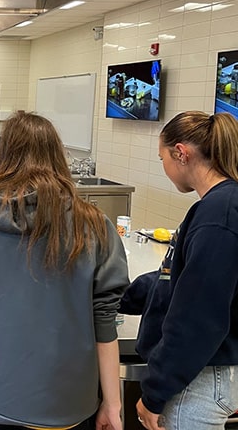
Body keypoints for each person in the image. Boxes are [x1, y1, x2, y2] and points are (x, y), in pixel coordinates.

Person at [0, 111, 128, 430]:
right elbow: (104, 326)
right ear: (57, 157)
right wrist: (113, 404)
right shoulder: (95, 225)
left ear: (5, 157)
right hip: (69, 406)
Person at [133, 111, 238, 430]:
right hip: (203, 371)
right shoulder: (217, 206)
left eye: (162, 157)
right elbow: (180, 279)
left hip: (200, 378)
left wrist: (154, 392)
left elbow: (197, 318)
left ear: (181, 153)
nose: (163, 166)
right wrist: (118, 295)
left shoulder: (219, 217)